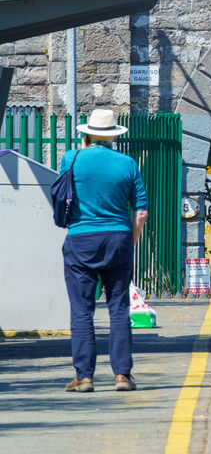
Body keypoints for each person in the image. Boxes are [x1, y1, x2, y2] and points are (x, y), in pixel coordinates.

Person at [61, 108, 148, 393]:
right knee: (119, 308)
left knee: (82, 309)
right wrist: (129, 242)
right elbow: (141, 213)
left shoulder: (71, 159)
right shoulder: (127, 164)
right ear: (112, 137)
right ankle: (122, 375)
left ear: (86, 135)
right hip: (118, 239)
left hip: (81, 240)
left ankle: (84, 376)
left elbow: (62, 199)